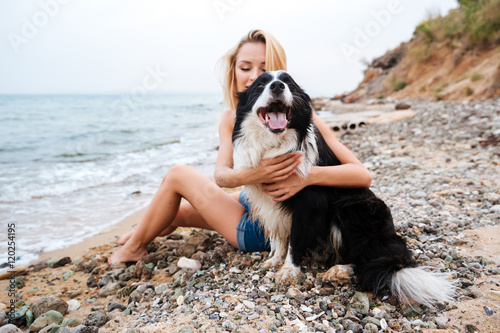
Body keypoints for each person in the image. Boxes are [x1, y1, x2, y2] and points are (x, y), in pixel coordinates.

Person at [108, 29, 372, 265]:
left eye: (265, 69)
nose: (255, 76)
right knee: (175, 212)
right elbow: (223, 175)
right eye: (245, 67)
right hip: (256, 198)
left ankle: (134, 247)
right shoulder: (230, 118)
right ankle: (145, 231)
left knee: (178, 174)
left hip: (270, 227)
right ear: (233, 70)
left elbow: (363, 176)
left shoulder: (300, 119)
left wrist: (304, 178)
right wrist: (255, 175)